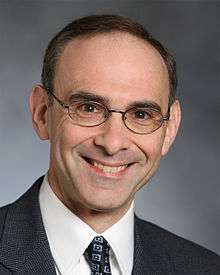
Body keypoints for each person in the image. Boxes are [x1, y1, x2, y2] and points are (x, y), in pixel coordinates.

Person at [0, 14, 219, 275]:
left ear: (169, 129)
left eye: (141, 115)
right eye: (89, 108)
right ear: (42, 112)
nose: (113, 144)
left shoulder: (204, 268)